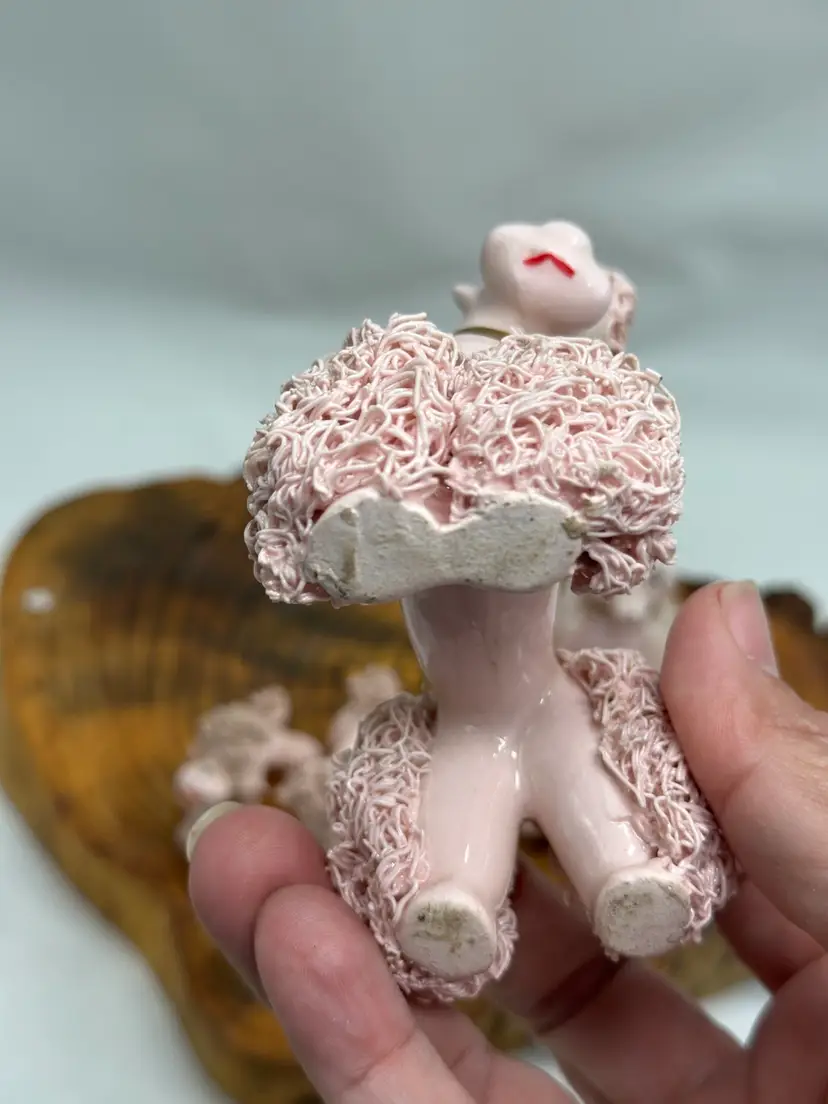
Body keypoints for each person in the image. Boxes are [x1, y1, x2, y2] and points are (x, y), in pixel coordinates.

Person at [186, 582, 828, 1102]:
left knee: (593, 787)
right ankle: (453, 899)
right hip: (469, 730)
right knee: (461, 826)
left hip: (551, 709)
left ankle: (631, 876)